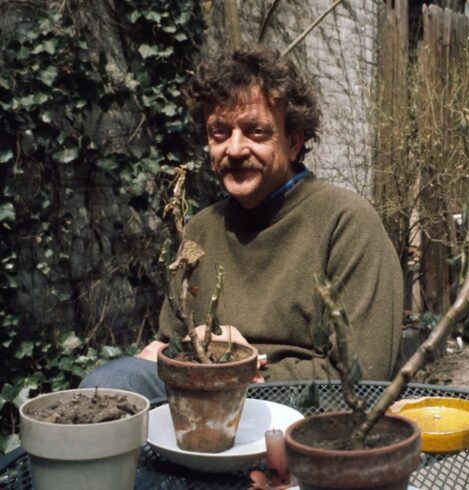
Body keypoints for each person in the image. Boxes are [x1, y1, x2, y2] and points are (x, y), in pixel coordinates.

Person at [80, 44, 403, 400]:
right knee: (112, 383)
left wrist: (239, 365)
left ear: (294, 142)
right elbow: (169, 342)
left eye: (255, 131)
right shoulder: (200, 229)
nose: (234, 149)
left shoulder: (346, 222)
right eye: (219, 132)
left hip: (296, 415)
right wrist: (164, 360)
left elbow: (363, 378)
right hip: (199, 397)